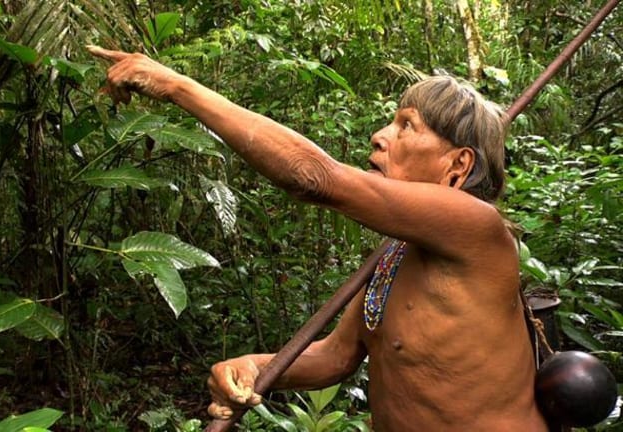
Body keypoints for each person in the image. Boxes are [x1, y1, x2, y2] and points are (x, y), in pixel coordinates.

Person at [88, 46, 549, 431]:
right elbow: (335, 356)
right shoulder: (395, 255)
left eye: (407, 125)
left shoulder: (477, 227)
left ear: (457, 167)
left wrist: (175, 86)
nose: (380, 136)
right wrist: (252, 366)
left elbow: (314, 177)